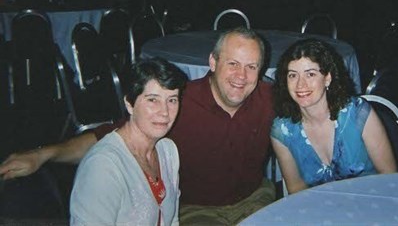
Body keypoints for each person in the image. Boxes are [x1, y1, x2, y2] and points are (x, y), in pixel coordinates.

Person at [0, 27, 276, 225]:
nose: (241, 76)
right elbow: (109, 137)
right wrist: (44, 154)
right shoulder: (177, 102)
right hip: (197, 212)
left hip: (254, 200)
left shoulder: (268, 98)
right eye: (233, 64)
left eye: (252, 66)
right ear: (213, 62)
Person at [271, 39, 397, 194]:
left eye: (310, 74)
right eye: (292, 75)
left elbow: (389, 176)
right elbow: (296, 190)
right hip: (321, 211)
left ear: (327, 78)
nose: (300, 85)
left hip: (371, 201)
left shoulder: (357, 114)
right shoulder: (283, 131)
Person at [70, 57, 186, 225]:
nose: (165, 112)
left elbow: (172, 220)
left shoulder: (168, 151)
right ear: (129, 104)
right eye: (152, 100)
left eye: (172, 100)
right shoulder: (103, 166)